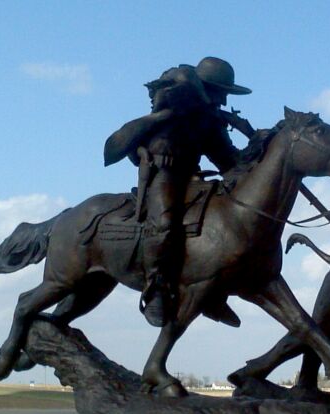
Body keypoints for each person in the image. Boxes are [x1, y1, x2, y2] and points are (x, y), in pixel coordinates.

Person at [104, 57, 254, 327]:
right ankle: (155, 291)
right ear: (205, 88)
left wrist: (258, 152)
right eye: (220, 92)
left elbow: (227, 160)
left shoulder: (209, 120)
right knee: (164, 225)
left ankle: (212, 295)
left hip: (192, 177)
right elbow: (184, 76)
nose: (223, 100)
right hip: (163, 175)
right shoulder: (172, 109)